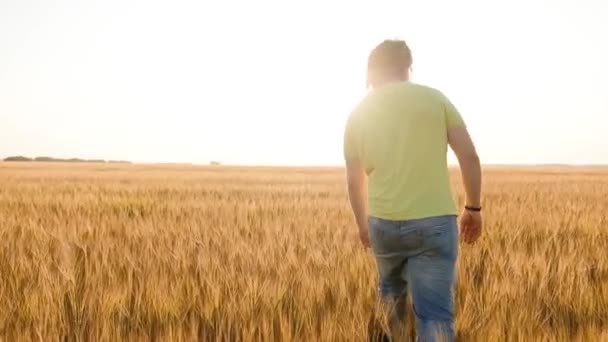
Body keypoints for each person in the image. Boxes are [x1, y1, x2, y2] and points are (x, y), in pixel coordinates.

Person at [343, 39, 483, 341]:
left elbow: (355, 181)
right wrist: (473, 208)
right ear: (408, 68)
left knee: (392, 304)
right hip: (435, 223)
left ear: (372, 71)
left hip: (383, 224)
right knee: (434, 315)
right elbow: (469, 156)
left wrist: (361, 224)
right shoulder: (435, 100)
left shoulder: (358, 114)